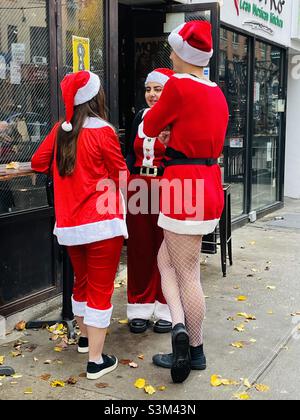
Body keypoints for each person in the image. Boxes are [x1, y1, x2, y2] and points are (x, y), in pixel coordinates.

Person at [140, 21, 229, 383]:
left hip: (183, 188)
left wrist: (165, 133)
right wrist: (174, 133)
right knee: (168, 261)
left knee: (186, 270)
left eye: (173, 50)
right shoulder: (216, 92)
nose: (171, 56)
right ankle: (180, 327)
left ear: (184, 54)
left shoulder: (177, 86)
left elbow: (148, 127)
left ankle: (194, 347)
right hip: (208, 184)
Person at [31, 71, 129, 380]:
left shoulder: (62, 130)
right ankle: (96, 361)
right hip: (102, 224)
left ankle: (86, 339)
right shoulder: (104, 132)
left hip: (71, 225)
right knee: (100, 290)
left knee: (82, 282)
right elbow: (121, 174)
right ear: (97, 98)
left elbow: (37, 162)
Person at [126, 68, 174, 334]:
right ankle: (139, 305)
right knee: (140, 248)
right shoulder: (139, 117)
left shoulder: (177, 117)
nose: (152, 95)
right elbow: (129, 155)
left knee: (166, 249)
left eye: (158, 89)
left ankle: (166, 306)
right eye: (148, 89)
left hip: (167, 187)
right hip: (137, 188)